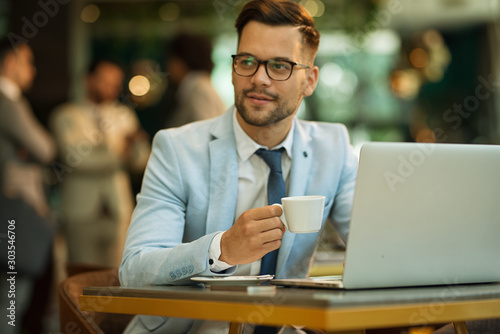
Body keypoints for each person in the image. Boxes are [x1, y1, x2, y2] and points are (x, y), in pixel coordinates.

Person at [119, 0, 358, 333]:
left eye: (279, 66)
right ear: (232, 69)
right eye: (247, 61)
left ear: (310, 80)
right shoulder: (177, 149)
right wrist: (222, 249)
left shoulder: (333, 148)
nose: (258, 78)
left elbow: (377, 249)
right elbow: (135, 270)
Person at [50, 58, 151, 268]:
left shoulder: (124, 115)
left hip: (118, 208)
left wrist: (136, 145)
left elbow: (141, 161)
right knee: (81, 277)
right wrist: (121, 152)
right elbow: (75, 160)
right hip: (80, 211)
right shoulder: (66, 115)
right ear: (88, 80)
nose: (112, 88)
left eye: (116, 83)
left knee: (118, 276)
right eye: (106, 81)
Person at [0, 38, 56, 334]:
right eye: (27, 62)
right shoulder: (7, 100)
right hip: (12, 212)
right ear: (10, 63)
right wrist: (29, 149)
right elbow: (45, 148)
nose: (32, 71)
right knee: (10, 298)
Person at [164, 31, 226, 128]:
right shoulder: (197, 87)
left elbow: (206, 135)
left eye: (172, 58)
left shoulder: (199, 91)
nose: (168, 65)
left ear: (182, 61)